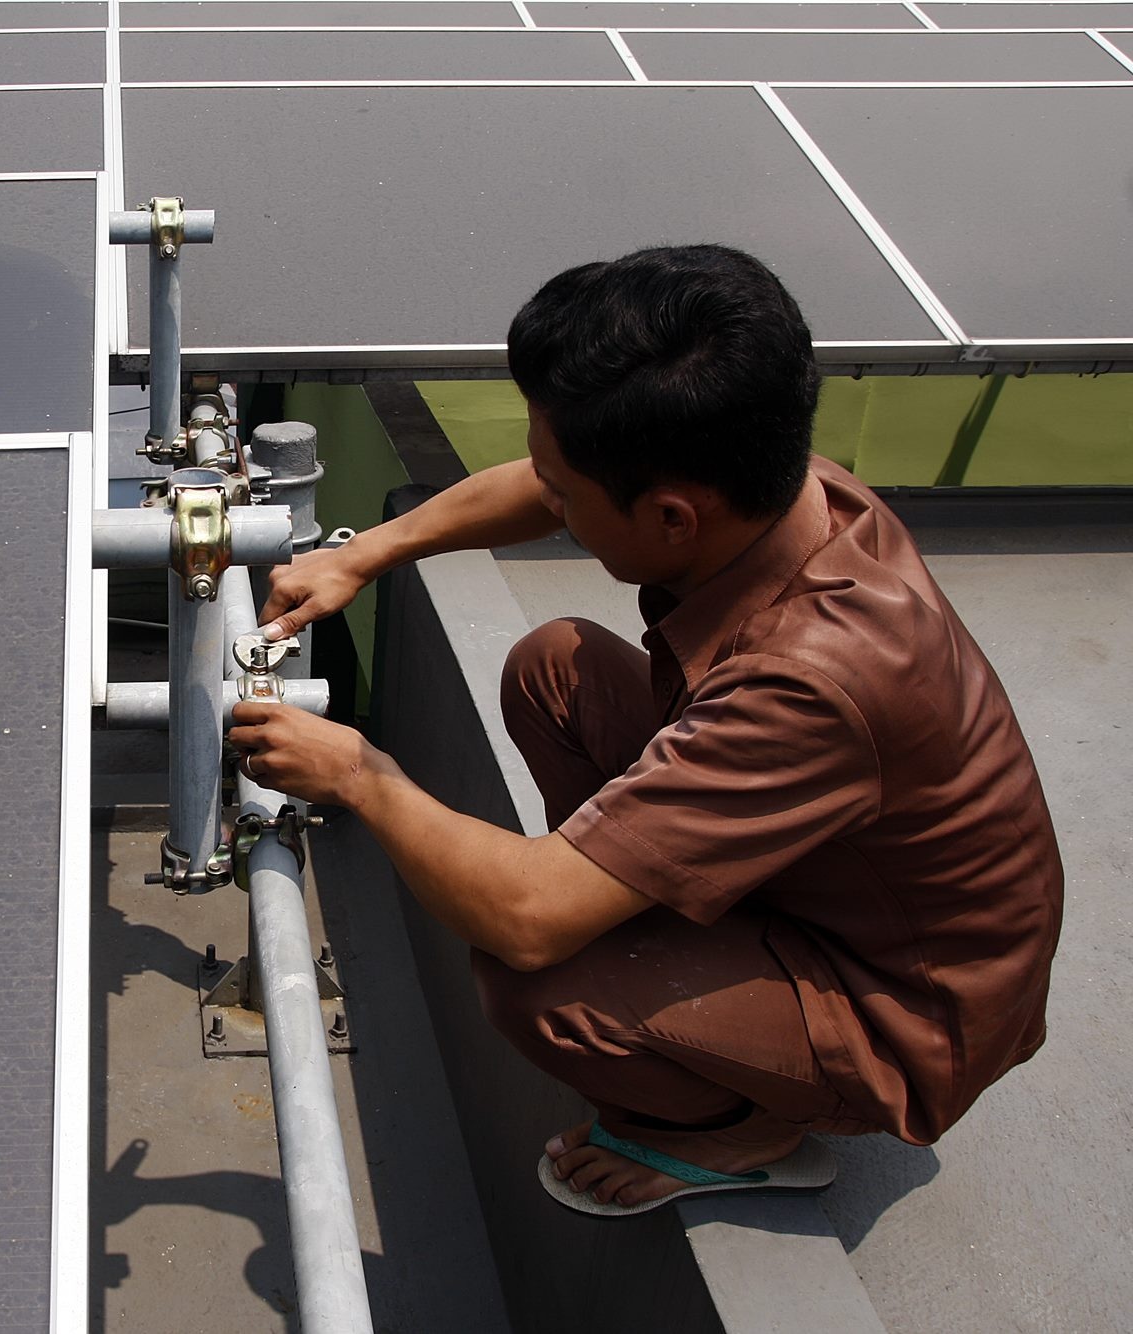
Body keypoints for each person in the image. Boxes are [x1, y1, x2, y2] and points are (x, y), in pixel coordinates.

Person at [227, 245, 1063, 1216]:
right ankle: (662, 930)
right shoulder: (780, 486)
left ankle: (739, 1132)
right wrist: (367, 553)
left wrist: (362, 776)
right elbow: (537, 484)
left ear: (671, 517)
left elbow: (523, 919)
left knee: (538, 977)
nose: (551, 504)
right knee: (556, 666)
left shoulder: (810, 678)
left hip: (902, 1008)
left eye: (566, 496)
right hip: (829, 885)